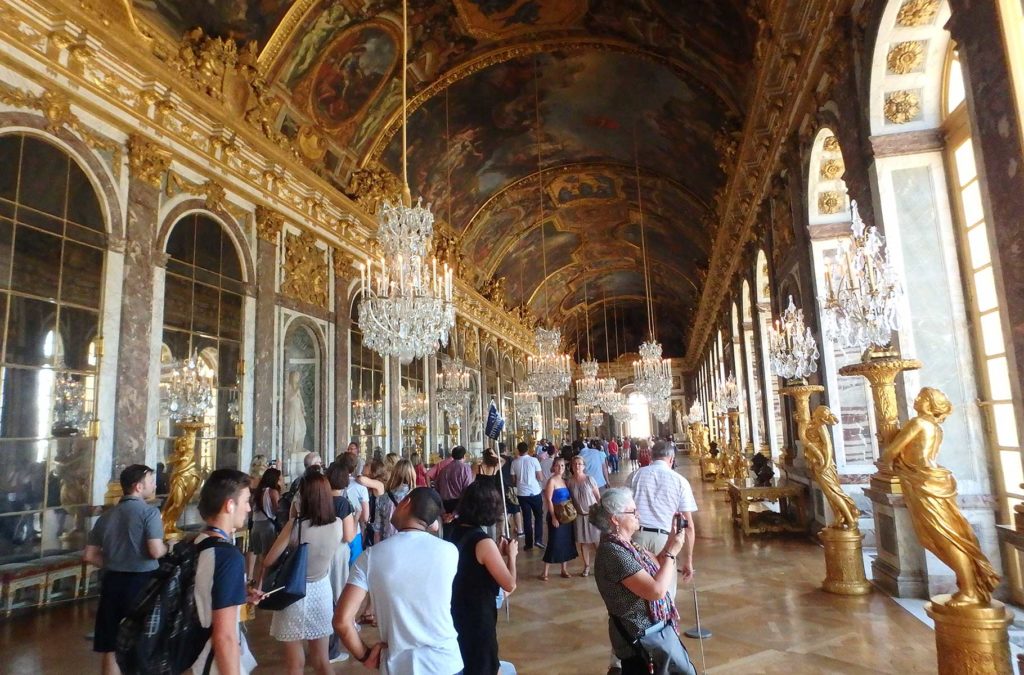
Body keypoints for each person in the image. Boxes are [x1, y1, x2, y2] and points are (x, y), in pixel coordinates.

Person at [334, 488, 463, 673]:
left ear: (406, 503)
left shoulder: (371, 557)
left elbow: (342, 621)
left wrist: (366, 655)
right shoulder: (450, 552)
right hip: (446, 663)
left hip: (398, 666)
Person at [591, 488, 696, 675]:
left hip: (653, 634)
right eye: (632, 511)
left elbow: (658, 564)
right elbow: (656, 591)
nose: (638, 514)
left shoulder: (627, 544)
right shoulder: (613, 552)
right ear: (615, 519)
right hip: (639, 639)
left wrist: (672, 536)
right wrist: (672, 552)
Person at [83, 465, 166, 675]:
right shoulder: (150, 512)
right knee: (143, 641)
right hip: (144, 583)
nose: (154, 484)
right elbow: (155, 551)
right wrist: (169, 547)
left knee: (110, 645)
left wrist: (115, 561)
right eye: (150, 481)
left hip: (112, 581)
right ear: (138, 487)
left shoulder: (106, 517)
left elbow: (89, 555)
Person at [263, 472, 343, 675]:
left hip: (294, 591)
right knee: (322, 661)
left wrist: (293, 515)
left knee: (294, 665)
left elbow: (269, 560)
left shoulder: (296, 526)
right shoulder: (338, 525)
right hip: (321, 590)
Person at [192, 469, 262, 674]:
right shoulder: (228, 557)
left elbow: (204, 593)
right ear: (230, 505)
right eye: (247, 500)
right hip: (214, 662)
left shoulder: (198, 542)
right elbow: (225, 636)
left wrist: (239, 595)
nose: (249, 508)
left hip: (194, 655)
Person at [450, 481, 518, 675]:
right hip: (478, 616)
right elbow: (509, 584)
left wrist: (496, 553)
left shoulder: (454, 530)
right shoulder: (482, 541)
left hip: (456, 608)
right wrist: (511, 556)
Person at [628, 440, 697, 601]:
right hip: (665, 541)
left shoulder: (636, 475)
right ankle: (663, 622)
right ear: (671, 459)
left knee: (636, 588)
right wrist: (688, 560)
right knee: (664, 591)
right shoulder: (680, 481)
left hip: (636, 537)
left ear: (651, 456)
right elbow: (689, 526)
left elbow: (625, 509)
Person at [325, 461, 358, 663]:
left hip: (320, 552)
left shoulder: (320, 499)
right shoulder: (343, 504)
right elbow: (348, 536)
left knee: (325, 596)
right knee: (338, 597)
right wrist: (356, 519)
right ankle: (332, 650)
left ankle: (322, 645)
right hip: (338, 553)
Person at [539, 456, 577, 579]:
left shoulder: (564, 481)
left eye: (562, 465)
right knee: (554, 542)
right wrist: (553, 516)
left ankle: (564, 569)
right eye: (557, 465)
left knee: (565, 542)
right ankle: (545, 572)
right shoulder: (552, 481)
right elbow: (548, 500)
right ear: (553, 467)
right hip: (556, 515)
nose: (560, 468)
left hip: (566, 516)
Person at [362, 458, 417, 542]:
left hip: (388, 543)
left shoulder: (383, 498)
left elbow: (377, 531)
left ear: (394, 474)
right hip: (412, 543)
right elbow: (434, 526)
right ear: (412, 474)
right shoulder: (418, 497)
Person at [567, 455, 602, 576]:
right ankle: (586, 566)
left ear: (584, 466)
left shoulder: (589, 479)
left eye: (580, 464)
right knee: (583, 542)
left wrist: (601, 511)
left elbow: (597, 497)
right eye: (575, 464)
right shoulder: (570, 482)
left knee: (596, 541)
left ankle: (602, 566)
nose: (577, 466)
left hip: (592, 514)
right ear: (572, 466)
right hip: (579, 516)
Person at [249, 467, 282, 582]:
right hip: (267, 527)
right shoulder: (272, 492)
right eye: (279, 479)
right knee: (268, 559)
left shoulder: (258, 491)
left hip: (255, 526)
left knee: (260, 558)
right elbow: (277, 510)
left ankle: (255, 581)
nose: (281, 481)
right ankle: (264, 585)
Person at [511, 441, 544, 550]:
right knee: (538, 516)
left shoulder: (514, 462)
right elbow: (540, 477)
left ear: (518, 450)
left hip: (522, 493)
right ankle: (538, 540)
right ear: (528, 450)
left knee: (527, 518)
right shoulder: (534, 460)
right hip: (534, 492)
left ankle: (528, 543)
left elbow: (513, 479)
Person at [437, 446, 473, 536]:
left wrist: (443, 512)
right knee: (460, 535)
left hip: (445, 506)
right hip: (460, 505)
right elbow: (468, 491)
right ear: (464, 456)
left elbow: (437, 489)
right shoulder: (465, 469)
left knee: (447, 535)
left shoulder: (443, 470)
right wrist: (455, 514)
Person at [340, 453, 369, 564]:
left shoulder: (333, 483)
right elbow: (365, 517)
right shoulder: (360, 487)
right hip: (354, 531)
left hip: (335, 532)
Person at [500, 445, 522, 538]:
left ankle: (503, 533)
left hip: (500, 488)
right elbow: (514, 473)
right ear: (506, 450)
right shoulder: (510, 459)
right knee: (516, 509)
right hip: (510, 487)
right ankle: (520, 529)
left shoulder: (496, 460)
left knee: (504, 510)